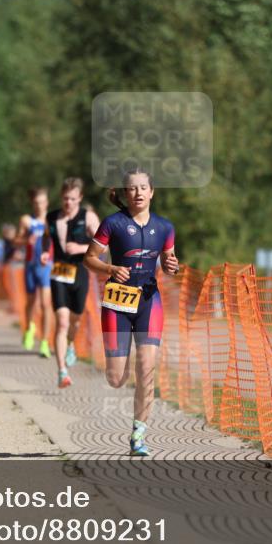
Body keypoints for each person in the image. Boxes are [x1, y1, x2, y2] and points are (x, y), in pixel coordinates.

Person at [84, 169, 179, 456]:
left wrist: (173, 267)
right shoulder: (113, 224)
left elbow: (169, 261)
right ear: (125, 194)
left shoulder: (164, 228)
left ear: (152, 192)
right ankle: (119, 369)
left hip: (150, 302)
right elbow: (89, 259)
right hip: (118, 304)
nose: (137, 193)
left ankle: (139, 434)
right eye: (132, 189)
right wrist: (111, 268)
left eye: (143, 188)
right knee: (116, 378)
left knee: (147, 368)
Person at [40, 177, 101, 388]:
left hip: (80, 273)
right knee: (62, 322)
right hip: (59, 273)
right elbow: (45, 238)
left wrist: (82, 249)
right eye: (65, 198)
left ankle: (72, 344)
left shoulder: (89, 217)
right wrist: (44, 253)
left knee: (75, 320)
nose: (68, 203)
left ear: (80, 198)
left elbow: (104, 245)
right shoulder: (51, 218)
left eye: (73, 199)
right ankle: (61, 372)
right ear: (61, 197)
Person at [17, 188, 53, 357]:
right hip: (30, 266)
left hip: (46, 266)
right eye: (36, 203)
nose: (39, 206)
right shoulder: (26, 220)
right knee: (31, 302)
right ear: (33, 203)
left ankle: (45, 342)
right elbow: (16, 240)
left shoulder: (52, 220)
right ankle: (29, 327)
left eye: (42, 202)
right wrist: (26, 240)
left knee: (46, 305)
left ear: (47, 203)